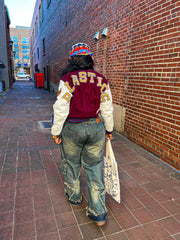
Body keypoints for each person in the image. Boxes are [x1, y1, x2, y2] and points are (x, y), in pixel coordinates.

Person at [51, 43, 114, 226]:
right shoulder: (101, 80)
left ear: (71, 60)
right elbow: (107, 109)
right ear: (90, 59)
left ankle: (74, 197)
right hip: (95, 128)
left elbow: (61, 109)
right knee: (94, 167)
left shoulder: (68, 79)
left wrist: (56, 131)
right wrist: (109, 129)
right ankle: (98, 212)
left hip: (72, 127)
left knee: (71, 164)